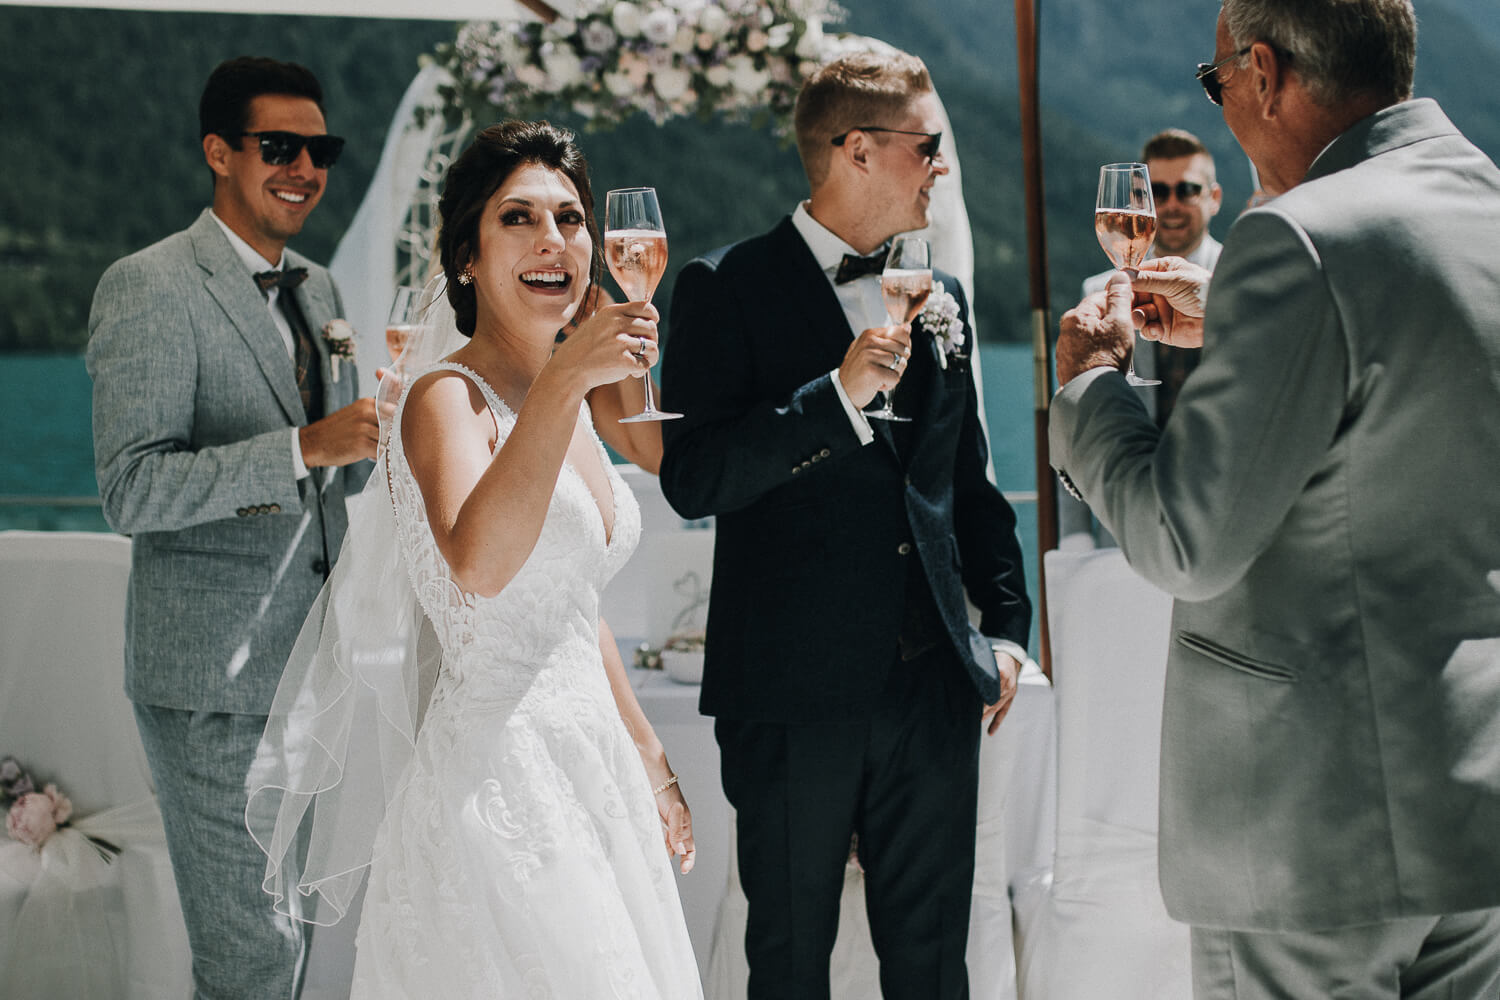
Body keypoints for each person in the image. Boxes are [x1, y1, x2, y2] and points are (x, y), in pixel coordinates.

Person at [1049, 1, 1500, 996]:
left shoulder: (1296, 235)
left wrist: (1089, 393)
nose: (1224, 113)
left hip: (1315, 828)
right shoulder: (1485, 207)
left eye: (1217, 86)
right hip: (1472, 808)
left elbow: (1185, 540)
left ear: (1262, 71)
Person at [247, 120, 703, 999]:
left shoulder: (557, 399)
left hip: (593, 769)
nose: (554, 241)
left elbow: (571, 605)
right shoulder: (444, 399)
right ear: (467, 258)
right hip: (499, 784)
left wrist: (650, 757)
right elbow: (480, 569)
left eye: (571, 220)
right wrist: (573, 378)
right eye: (520, 219)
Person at [658, 50, 1031, 1000]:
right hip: (790, 693)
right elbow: (695, 477)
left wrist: (1006, 631)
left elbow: (968, 483)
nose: (941, 167)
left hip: (934, 692)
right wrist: (834, 397)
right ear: (858, 151)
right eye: (929, 147)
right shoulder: (722, 286)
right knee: (788, 965)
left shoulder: (939, 298)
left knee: (935, 966)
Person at [86, 56, 378, 998]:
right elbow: (131, 490)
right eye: (278, 147)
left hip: (310, 671)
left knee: (285, 942)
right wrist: (301, 447)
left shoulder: (321, 289)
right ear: (218, 152)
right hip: (212, 678)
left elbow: (341, 470)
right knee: (253, 954)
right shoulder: (150, 285)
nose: (304, 167)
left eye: (318, 149)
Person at [1064, 129, 1225, 547]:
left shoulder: (1243, 282)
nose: (1171, 204)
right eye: (1158, 191)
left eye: (1186, 189)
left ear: (1214, 198)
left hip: (1225, 518)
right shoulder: (1097, 293)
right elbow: (1077, 415)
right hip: (1125, 528)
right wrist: (1076, 538)